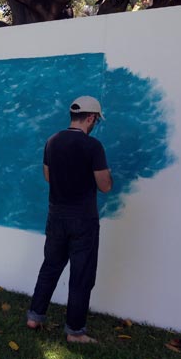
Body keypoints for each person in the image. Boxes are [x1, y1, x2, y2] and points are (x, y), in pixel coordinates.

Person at [27, 96, 113, 343]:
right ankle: (75, 332)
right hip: (83, 220)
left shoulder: (52, 141)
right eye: (96, 120)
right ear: (91, 118)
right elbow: (105, 186)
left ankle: (34, 317)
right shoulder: (93, 146)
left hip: (56, 215)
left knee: (50, 267)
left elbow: (48, 176)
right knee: (81, 276)